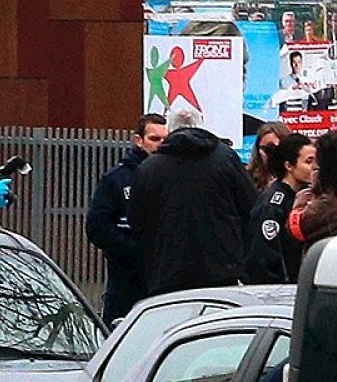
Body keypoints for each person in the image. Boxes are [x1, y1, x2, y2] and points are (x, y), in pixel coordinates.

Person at [128, 105, 257, 296]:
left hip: (167, 273)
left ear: (169, 129)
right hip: (221, 272)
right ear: (202, 125)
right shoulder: (226, 158)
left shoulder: (149, 168)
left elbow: (136, 220)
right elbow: (250, 206)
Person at [86, 113, 167, 324]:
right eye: (154, 139)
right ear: (138, 140)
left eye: (164, 140)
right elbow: (97, 226)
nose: (159, 145)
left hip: (163, 278)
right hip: (126, 280)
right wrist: (133, 250)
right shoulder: (117, 179)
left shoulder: (172, 177)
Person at [246, 132, 315, 284]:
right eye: (308, 162)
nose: (314, 168)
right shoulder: (273, 204)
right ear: (289, 165)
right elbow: (263, 254)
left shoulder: (305, 196)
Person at [247, 121, 294, 190]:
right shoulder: (249, 177)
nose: (267, 153)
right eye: (263, 148)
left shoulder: (297, 176)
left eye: (272, 147)